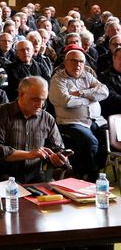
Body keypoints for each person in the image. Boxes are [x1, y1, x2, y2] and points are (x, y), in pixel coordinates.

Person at [0, 76, 69, 183]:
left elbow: (58, 148)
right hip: (5, 174)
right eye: (35, 99)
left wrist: (60, 159)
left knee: (53, 194)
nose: (40, 105)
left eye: (43, 100)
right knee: (13, 192)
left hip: (37, 174)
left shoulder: (47, 118)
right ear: (21, 94)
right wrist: (29, 154)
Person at [49, 50, 109, 181]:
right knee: (90, 141)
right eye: (74, 61)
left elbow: (104, 92)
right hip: (71, 122)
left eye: (81, 61)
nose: (78, 64)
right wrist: (91, 97)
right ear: (65, 62)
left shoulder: (87, 76)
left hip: (95, 120)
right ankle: (92, 175)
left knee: (107, 137)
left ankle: (93, 169)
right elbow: (66, 101)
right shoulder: (58, 79)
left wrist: (81, 93)